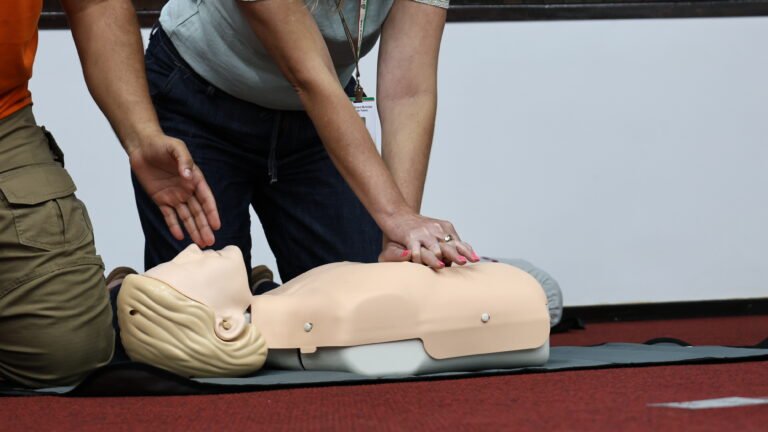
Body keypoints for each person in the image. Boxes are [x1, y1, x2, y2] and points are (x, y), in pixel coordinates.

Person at [135, 0, 479, 285]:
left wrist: (400, 235)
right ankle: (122, 297)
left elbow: (409, 92)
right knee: (201, 318)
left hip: (317, 117)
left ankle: (262, 292)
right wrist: (395, 215)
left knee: (370, 297)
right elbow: (309, 75)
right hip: (200, 100)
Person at [0, 0, 218, 388]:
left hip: (4, 121)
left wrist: (142, 136)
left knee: (69, 352)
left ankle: (108, 301)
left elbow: (96, 5)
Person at [117, 244, 551, 378]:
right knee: (544, 288)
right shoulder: (321, 315)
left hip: (492, 285)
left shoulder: (292, 305)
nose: (190, 250)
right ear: (227, 325)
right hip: (520, 290)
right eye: (183, 267)